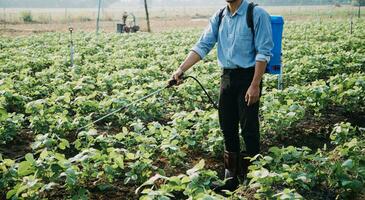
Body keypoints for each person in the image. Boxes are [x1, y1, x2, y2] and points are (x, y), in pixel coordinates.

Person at [169, 0, 274, 191]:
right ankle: (230, 178)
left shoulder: (257, 14)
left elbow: (263, 52)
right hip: (227, 77)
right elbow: (203, 45)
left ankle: (254, 179)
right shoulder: (219, 16)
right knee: (227, 127)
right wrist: (181, 69)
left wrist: (255, 84)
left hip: (249, 77)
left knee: (249, 127)